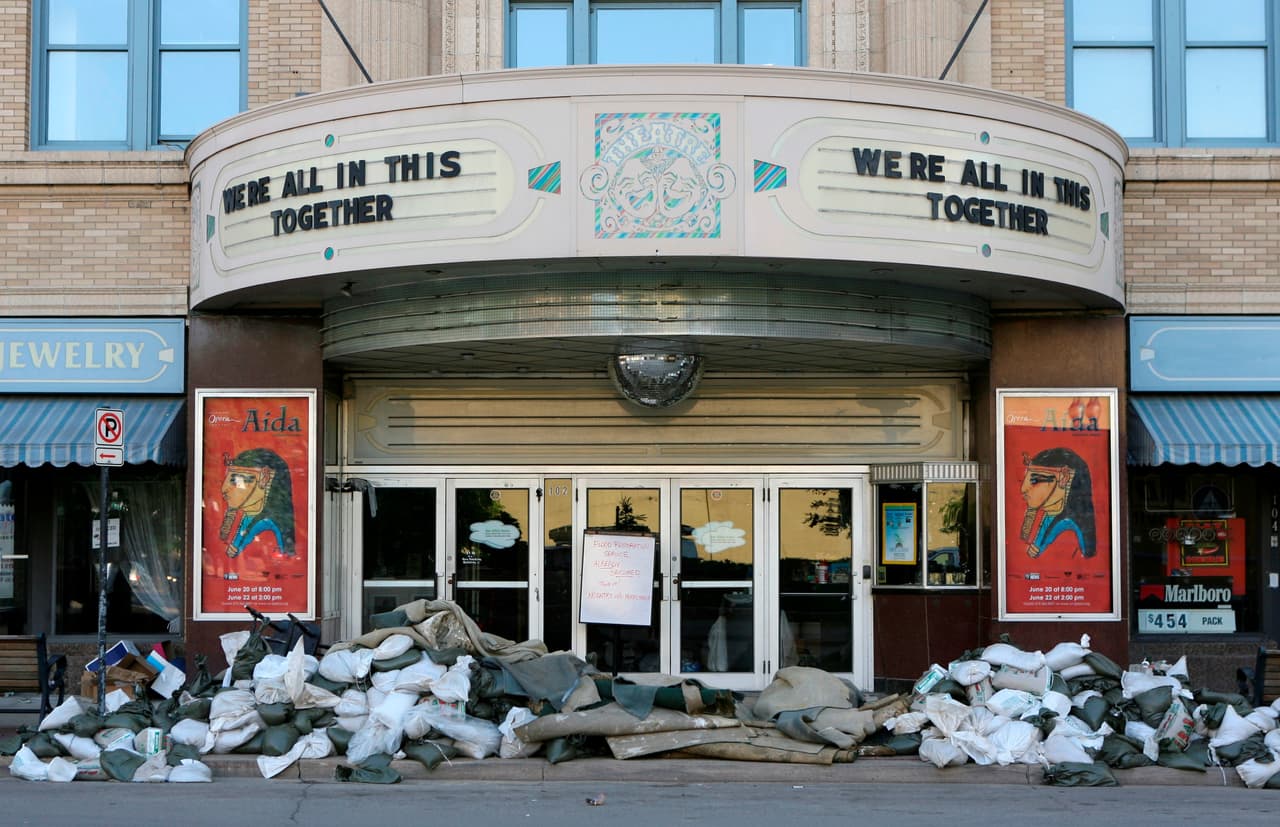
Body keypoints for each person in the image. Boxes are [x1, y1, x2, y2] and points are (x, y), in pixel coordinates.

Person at [218, 448, 302, 583]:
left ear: (264, 479)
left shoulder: (274, 522)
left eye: (238, 481)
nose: (226, 489)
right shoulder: (249, 517)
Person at [1018, 447, 1096, 560]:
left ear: (1064, 477)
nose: (1023, 489)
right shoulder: (1051, 512)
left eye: (1034, 480)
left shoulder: (1068, 533)